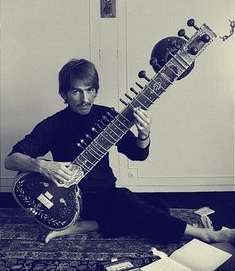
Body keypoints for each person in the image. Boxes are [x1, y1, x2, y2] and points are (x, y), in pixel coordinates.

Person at [5, 58, 235, 245]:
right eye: (76, 91)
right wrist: (44, 166)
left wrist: (144, 134)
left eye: (90, 90)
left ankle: (90, 224)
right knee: (127, 200)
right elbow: (11, 160)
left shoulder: (110, 118)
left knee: (158, 207)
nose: (84, 99)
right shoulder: (53, 124)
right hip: (70, 199)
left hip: (104, 195)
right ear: (64, 93)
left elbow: (137, 155)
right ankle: (206, 235)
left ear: (96, 91)